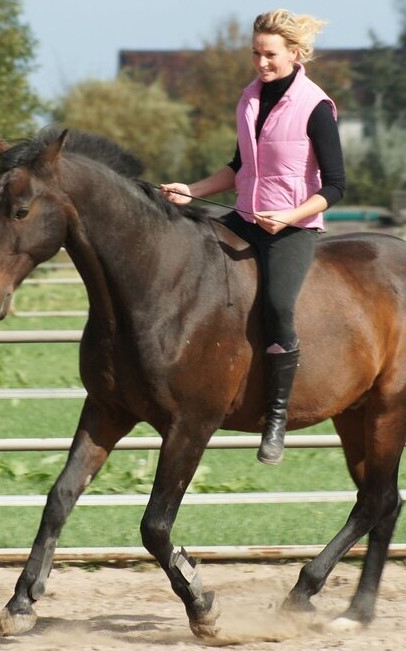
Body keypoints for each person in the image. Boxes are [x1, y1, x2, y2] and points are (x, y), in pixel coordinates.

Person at [161, 8, 345, 465]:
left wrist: (288, 217)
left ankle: (276, 417)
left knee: (279, 306)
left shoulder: (315, 106)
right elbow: (239, 167)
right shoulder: (249, 98)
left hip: (292, 229)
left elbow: (336, 186)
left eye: (270, 55)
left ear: (295, 53)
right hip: (243, 218)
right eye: (255, 54)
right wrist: (192, 190)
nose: (261, 64)